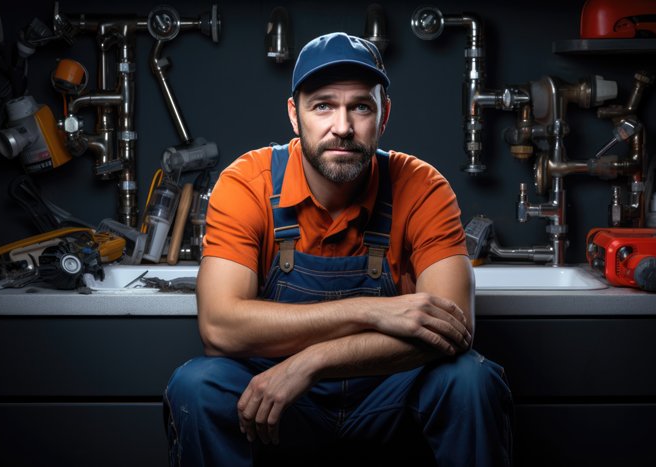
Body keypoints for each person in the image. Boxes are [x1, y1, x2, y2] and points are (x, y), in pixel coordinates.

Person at [164, 32, 512, 466]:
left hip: (390, 394)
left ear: (384, 116)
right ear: (295, 115)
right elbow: (219, 327)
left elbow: (451, 330)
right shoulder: (246, 183)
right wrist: (369, 310)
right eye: (323, 105)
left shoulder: (422, 186)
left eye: (361, 106)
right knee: (197, 385)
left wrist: (312, 361)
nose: (343, 127)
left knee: (470, 379)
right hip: (279, 404)